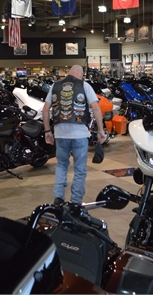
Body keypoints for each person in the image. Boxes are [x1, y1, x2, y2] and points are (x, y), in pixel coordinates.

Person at [42, 65, 106, 204]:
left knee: (61, 165)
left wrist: (47, 131)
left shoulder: (55, 85)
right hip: (80, 134)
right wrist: (100, 131)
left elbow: (45, 110)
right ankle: (76, 202)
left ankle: (58, 198)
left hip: (60, 133)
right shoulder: (85, 85)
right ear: (81, 75)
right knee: (79, 169)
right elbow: (96, 108)